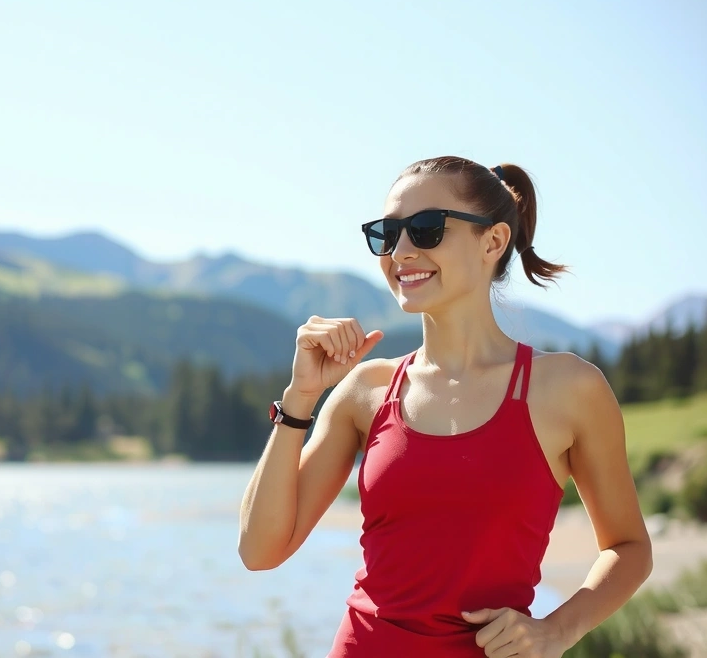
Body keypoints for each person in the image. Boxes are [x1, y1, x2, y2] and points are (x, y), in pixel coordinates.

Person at [237, 157, 653, 657]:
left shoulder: (568, 388)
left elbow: (629, 548)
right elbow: (259, 550)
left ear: (493, 242)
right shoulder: (366, 389)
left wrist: (557, 630)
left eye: (427, 228)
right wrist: (299, 399)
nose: (402, 251)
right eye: (386, 235)